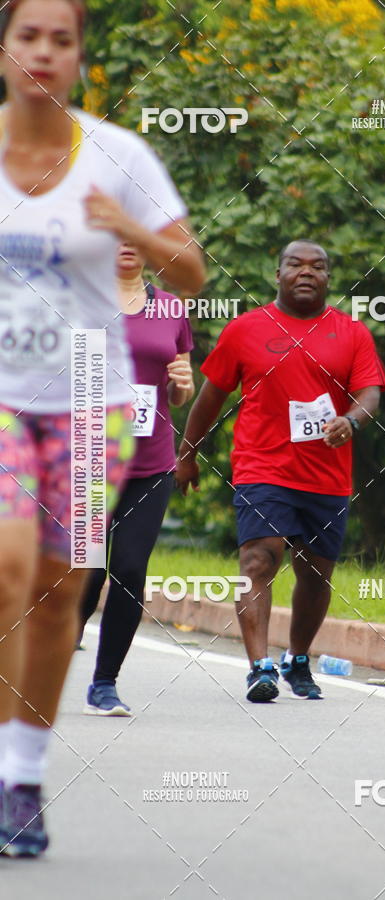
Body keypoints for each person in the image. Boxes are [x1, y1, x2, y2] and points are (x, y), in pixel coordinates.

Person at [0, 0, 205, 858]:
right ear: (4, 48)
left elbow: (191, 274)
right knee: (9, 570)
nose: (44, 52)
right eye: (28, 36)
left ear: (81, 55)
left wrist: (127, 227)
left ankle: (22, 776)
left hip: (95, 406)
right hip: (4, 399)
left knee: (58, 593)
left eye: (62, 39)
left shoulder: (121, 156)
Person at [176, 239, 385, 703]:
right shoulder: (245, 329)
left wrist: (351, 421)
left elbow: (370, 393)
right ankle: (260, 667)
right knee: (258, 560)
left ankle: (297, 657)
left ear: (328, 278)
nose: (306, 272)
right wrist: (187, 455)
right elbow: (211, 396)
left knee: (315, 575)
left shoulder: (352, 333)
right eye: (295, 264)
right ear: (278, 275)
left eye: (318, 266)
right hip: (262, 466)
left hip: (326, 475)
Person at [79, 242, 195, 716]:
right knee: (85, 572)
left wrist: (182, 386)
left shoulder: (170, 308)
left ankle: (104, 684)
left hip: (151, 463)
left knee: (129, 570)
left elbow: (178, 390)